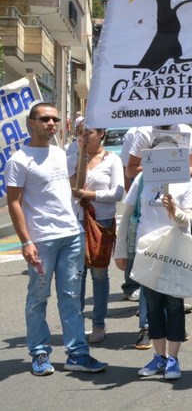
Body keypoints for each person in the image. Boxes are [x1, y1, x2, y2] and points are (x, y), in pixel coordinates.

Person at [6, 101, 108, 376]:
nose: (51, 124)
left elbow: (76, 185)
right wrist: (26, 241)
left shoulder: (59, 153)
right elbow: (14, 203)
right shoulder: (19, 160)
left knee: (72, 297)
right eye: (44, 119)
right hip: (42, 239)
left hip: (71, 234)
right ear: (31, 123)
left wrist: (84, 155)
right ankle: (39, 352)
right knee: (38, 297)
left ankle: (77, 353)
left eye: (54, 119)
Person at [115, 135, 192, 380]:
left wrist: (176, 213)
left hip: (174, 252)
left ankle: (173, 359)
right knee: (153, 307)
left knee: (174, 306)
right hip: (147, 252)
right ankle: (159, 357)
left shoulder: (185, 182)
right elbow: (128, 214)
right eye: (157, 153)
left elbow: (189, 220)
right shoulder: (142, 179)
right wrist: (121, 251)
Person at [69, 126, 124, 344]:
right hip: (75, 221)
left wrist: (88, 194)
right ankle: (76, 323)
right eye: (79, 131)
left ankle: (98, 323)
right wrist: (79, 159)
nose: (83, 135)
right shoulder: (73, 156)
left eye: (88, 131)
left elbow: (117, 193)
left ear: (101, 133)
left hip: (101, 222)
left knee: (99, 274)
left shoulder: (112, 160)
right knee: (77, 275)